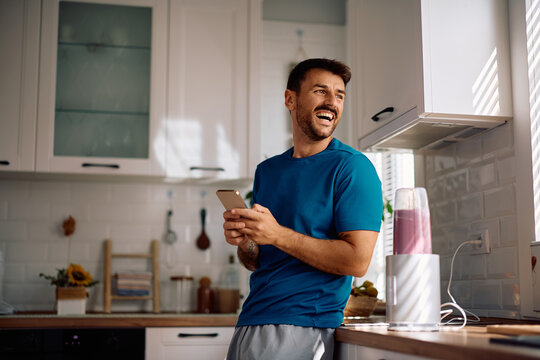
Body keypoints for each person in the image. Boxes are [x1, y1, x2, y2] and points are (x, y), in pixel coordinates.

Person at [222, 58, 383, 360]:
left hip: (304, 327)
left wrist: (278, 234)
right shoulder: (268, 171)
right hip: (250, 321)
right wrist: (247, 241)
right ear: (290, 99)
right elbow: (257, 261)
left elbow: (358, 260)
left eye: (340, 95)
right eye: (321, 91)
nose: (332, 102)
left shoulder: (353, 168)